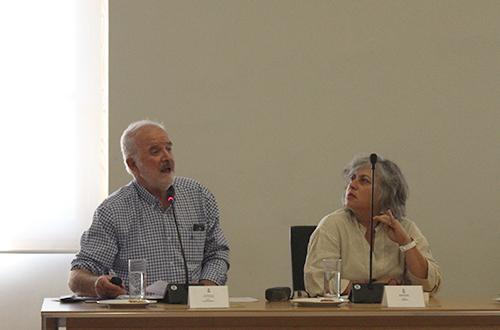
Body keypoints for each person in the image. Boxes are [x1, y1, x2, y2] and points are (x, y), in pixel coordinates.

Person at [69, 120, 230, 298]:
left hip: (194, 315)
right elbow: (78, 276)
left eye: (168, 148)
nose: (167, 157)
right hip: (139, 318)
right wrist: (98, 284)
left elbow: (217, 253)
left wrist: (204, 291)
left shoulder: (199, 196)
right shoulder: (113, 210)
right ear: (133, 165)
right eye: (155, 151)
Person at [304, 154, 442, 297]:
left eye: (364, 181)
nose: (352, 185)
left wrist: (406, 243)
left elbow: (429, 285)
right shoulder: (332, 225)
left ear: (386, 192)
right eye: (352, 178)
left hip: (395, 316)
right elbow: (318, 282)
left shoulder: (405, 227)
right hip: (345, 316)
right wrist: (377, 288)